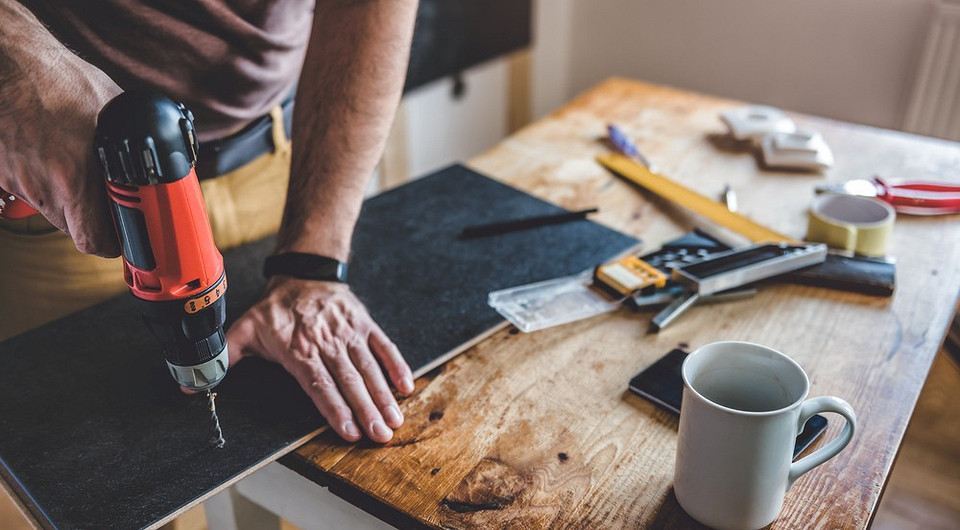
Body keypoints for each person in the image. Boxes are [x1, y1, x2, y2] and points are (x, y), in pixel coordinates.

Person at [0, 0, 419, 444]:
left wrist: (312, 263)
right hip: (60, 185)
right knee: (71, 457)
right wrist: (15, 62)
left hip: (285, 164)